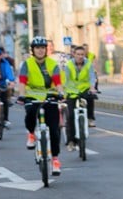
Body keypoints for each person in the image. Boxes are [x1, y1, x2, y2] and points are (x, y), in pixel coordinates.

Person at [18, 36, 65, 176]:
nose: (40, 50)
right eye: (37, 48)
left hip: (50, 96)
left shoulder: (52, 64)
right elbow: (22, 82)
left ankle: (55, 160)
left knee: (54, 131)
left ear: (46, 50)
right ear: (33, 50)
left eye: (42, 48)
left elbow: (57, 82)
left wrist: (61, 93)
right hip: (32, 96)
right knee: (31, 113)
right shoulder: (27, 64)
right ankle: (31, 134)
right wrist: (22, 95)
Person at [63, 44, 97, 151]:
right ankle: (71, 141)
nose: (80, 56)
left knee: (91, 97)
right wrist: (65, 93)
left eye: (82, 54)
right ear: (74, 54)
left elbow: (92, 77)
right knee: (70, 117)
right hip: (72, 91)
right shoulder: (68, 65)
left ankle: (90, 118)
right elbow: (66, 79)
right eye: (78, 54)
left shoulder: (88, 64)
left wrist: (92, 88)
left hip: (84, 89)